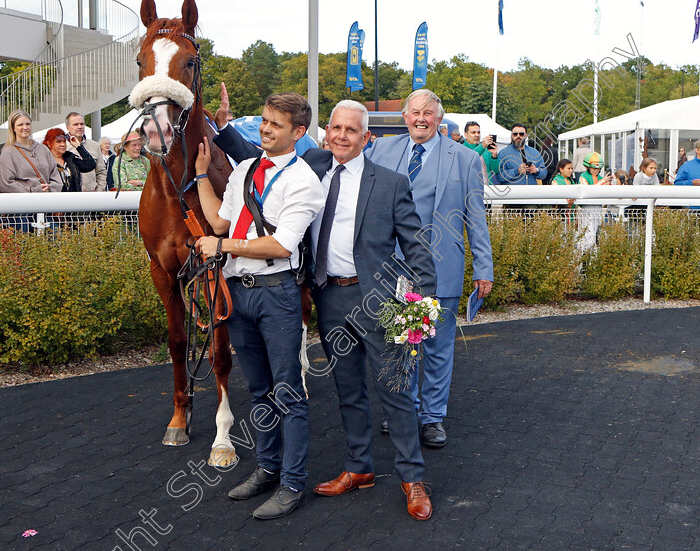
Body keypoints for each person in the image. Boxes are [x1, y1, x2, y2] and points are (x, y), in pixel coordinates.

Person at [215, 93, 437, 520]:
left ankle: (413, 478)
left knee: (395, 392)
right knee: (348, 390)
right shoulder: (312, 167)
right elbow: (261, 156)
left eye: (351, 130)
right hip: (329, 297)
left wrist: (421, 305)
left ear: (367, 138)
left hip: (380, 300)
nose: (341, 135)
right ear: (323, 132)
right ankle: (359, 469)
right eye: (335, 127)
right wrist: (224, 130)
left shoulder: (391, 183)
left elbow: (417, 247)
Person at [193, 92, 325, 520]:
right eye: (264, 120)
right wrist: (199, 178)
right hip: (240, 292)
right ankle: (267, 468)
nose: (265, 128)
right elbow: (218, 222)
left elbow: (283, 244)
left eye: (276, 124)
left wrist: (223, 246)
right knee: (258, 389)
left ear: (298, 132)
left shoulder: (304, 180)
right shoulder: (246, 169)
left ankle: (291, 483)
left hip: (276, 293)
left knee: (288, 392)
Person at [365, 89, 493, 449]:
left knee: (437, 345)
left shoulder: (466, 159)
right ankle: (402, 409)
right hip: (391, 268)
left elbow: (476, 219)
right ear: (404, 116)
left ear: (439, 118)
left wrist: (484, 267)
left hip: (442, 266)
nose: (421, 118)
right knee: (397, 343)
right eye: (415, 112)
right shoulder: (381, 150)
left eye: (428, 113)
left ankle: (432, 418)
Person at [0, 110, 62, 193]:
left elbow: (56, 176)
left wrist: (50, 188)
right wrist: (32, 191)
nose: (25, 127)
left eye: (28, 124)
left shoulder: (43, 149)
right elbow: (6, 183)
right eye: (20, 125)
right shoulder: (8, 152)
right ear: (13, 128)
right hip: (24, 203)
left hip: (46, 201)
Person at [42, 128, 96, 192]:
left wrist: (78, 146)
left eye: (64, 141)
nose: (63, 144)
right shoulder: (43, 161)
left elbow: (90, 165)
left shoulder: (70, 158)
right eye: (58, 142)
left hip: (73, 199)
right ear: (49, 143)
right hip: (54, 199)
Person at [65, 112, 106, 191]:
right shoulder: (63, 147)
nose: (80, 127)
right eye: (76, 124)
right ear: (68, 127)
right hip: (70, 196)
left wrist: (99, 190)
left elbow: (101, 171)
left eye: (82, 124)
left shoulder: (94, 145)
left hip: (91, 195)